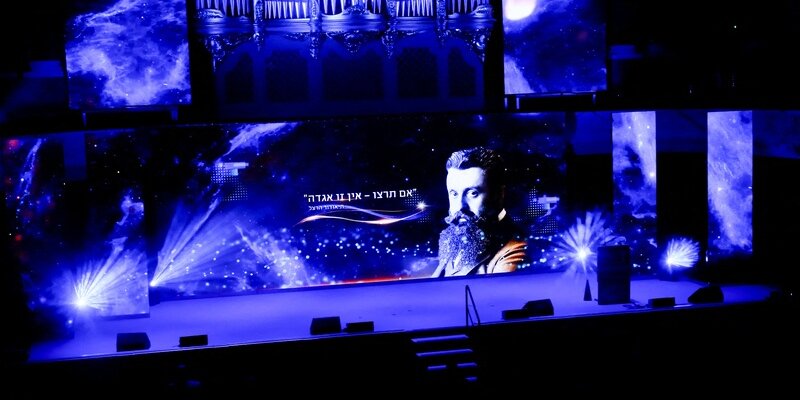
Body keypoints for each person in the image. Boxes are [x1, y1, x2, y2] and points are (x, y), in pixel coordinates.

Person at [432, 146, 528, 277]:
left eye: (472, 193)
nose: (460, 207)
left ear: (499, 195)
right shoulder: (455, 242)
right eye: (454, 194)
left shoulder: (515, 250)